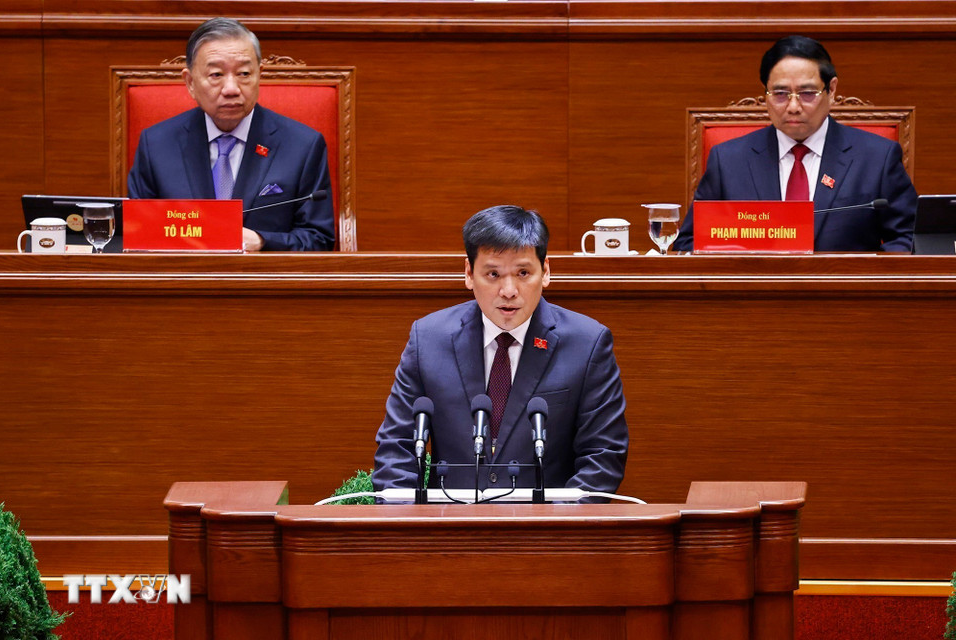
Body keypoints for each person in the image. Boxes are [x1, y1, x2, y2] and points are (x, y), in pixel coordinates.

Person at [373, 205, 628, 497]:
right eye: (493, 274)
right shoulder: (428, 339)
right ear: (469, 274)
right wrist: (409, 519)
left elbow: (603, 456)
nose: (509, 290)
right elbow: (396, 449)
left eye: (523, 273)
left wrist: (559, 522)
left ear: (545, 272)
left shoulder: (588, 343)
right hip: (449, 521)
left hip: (548, 523)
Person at [672, 35, 917, 253]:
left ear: (831, 90)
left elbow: (909, 238)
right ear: (765, 94)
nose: (793, 106)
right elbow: (689, 243)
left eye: (807, 94)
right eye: (780, 94)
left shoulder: (876, 158)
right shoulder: (728, 161)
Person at [127, 18, 334, 251]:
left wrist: (263, 242)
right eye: (216, 75)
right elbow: (138, 237)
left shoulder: (303, 146)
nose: (231, 89)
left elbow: (319, 240)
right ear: (190, 82)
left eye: (244, 73)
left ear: (259, 75)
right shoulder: (156, 145)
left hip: (263, 273)